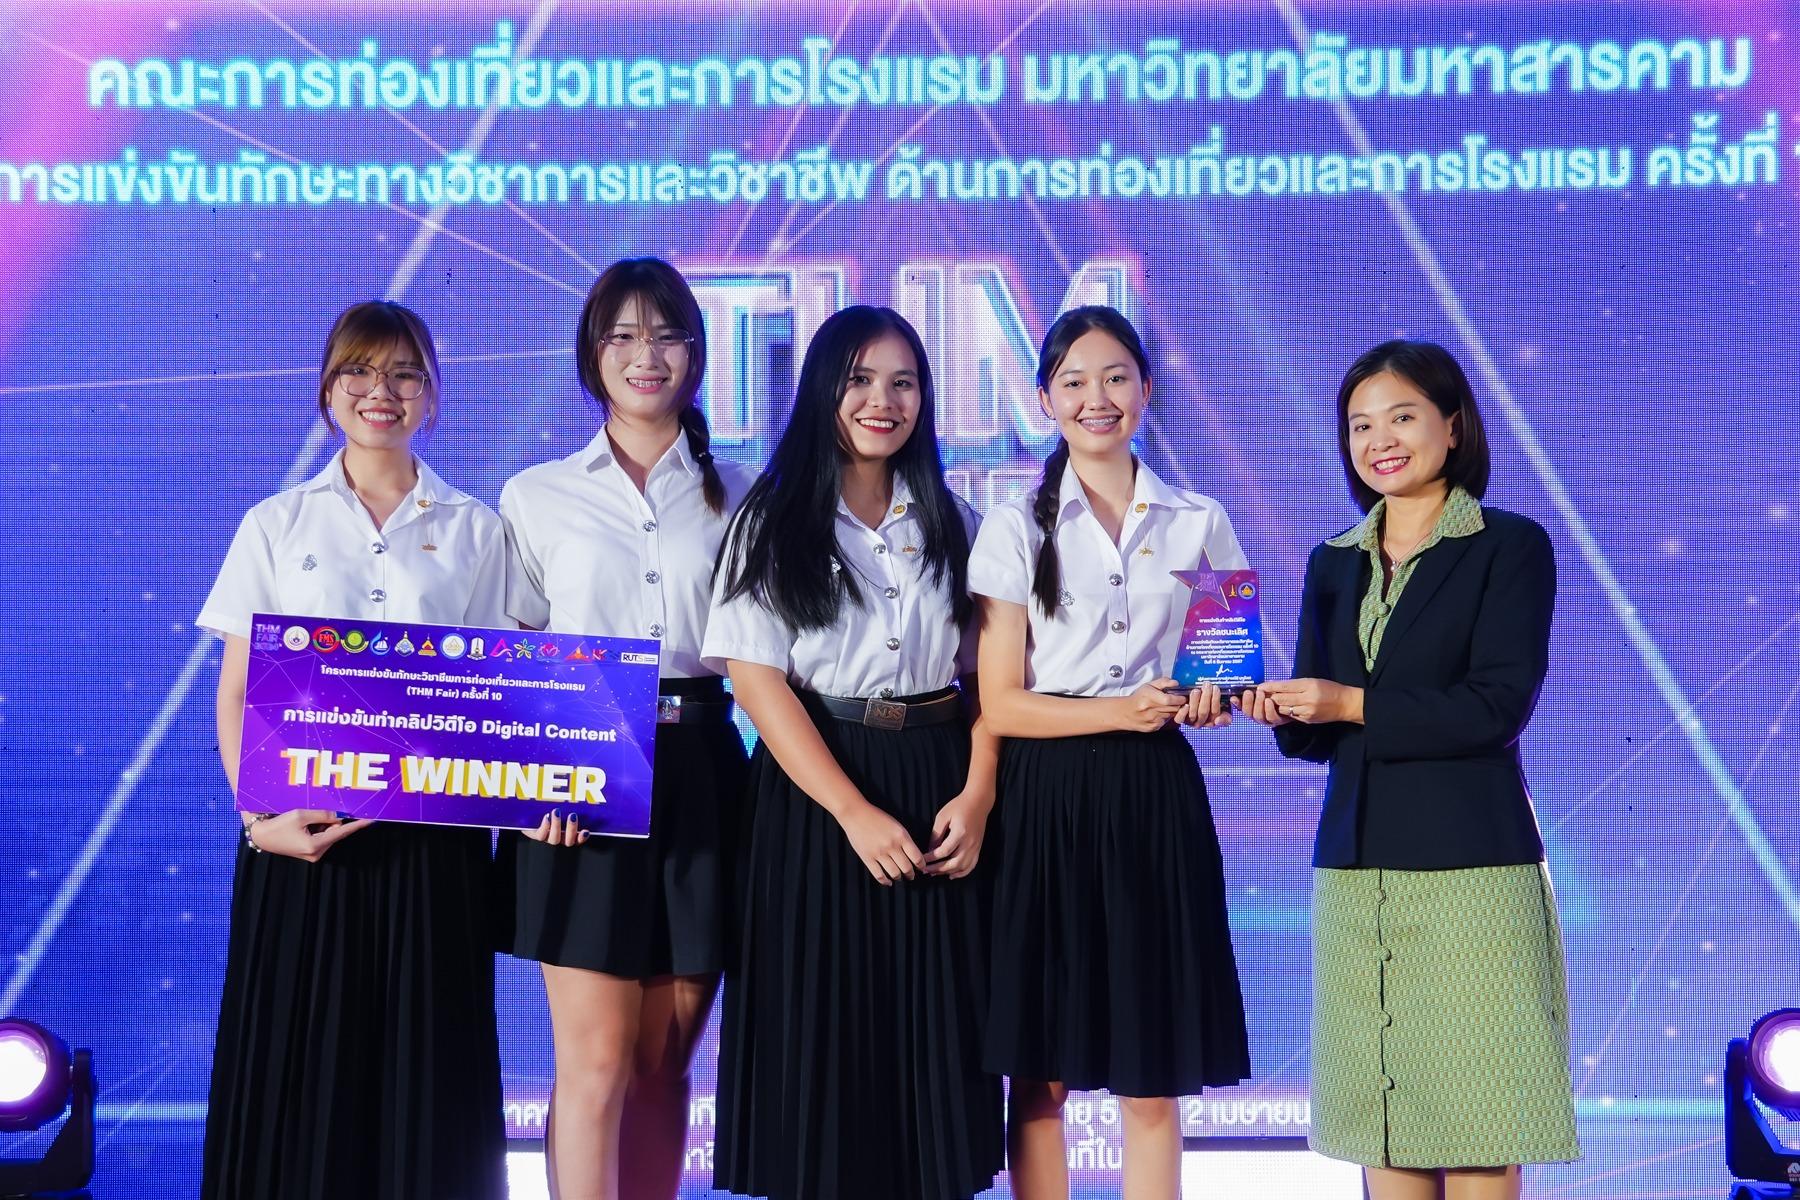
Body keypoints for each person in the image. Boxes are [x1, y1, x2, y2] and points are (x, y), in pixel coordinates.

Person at [1241, 339, 1580, 1200]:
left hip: (1472, 874)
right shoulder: (1333, 559)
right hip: (1357, 872)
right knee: (1382, 1127)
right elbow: (1320, 731)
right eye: (1360, 425)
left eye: (1401, 417)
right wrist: (1278, 709)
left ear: (1453, 425)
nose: (1379, 440)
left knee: (1478, 1128)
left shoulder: (1509, 546)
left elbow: (1494, 707)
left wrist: (1348, 704)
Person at [197, 300, 507, 1200]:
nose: (383, 392)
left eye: (405, 374)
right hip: (301, 840)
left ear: (432, 396)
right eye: (361, 373)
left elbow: (498, 697)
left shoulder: (477, 528)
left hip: (434, 848)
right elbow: (236, 690)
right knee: (296, 1084)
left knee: (429, 1081)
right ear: (329, 390)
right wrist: (259, 821)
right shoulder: (277, 522)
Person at [704, 304, 1004, 1200]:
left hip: (937, 777)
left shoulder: (957, 521)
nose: (884, 401)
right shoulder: (771, 520)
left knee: (933, 1038)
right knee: (822, 1034)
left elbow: (990, 681)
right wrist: (852, 811)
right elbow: (756, 680)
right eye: (860, 380)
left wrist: (979, 795)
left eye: (904, 383)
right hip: (816, 790)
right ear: (821, 392)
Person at [969, 304, 1251, 1200]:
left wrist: (1209, 699)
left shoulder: (1201, 519)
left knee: (1151, 1068)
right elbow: (1000, 702)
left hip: (1152, 791)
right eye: (1075, 381)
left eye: (1117, 377)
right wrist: (1118, 712)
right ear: (1044, 399)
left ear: (1146, 389)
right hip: (1042, 795)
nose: (1098, 398)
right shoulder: (1012, 526)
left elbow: (1225, 671)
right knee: (1039, 1072)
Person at [494, 257, 756, 1200]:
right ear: (592, 354)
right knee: (596, 1062)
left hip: (706, 771)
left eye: (667, 334)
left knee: (663, 1064)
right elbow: (512, 655)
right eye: (624, 336)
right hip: (579, 777)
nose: (647, 355)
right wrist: (531, 783)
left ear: (695, 351)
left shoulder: (746, 493)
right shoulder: (537, 495)